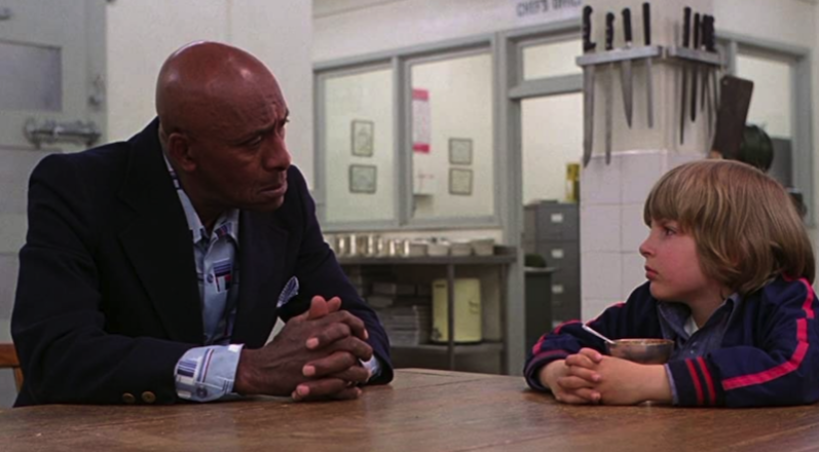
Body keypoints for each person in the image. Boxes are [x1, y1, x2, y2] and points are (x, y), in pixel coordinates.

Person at [12, 41, 393, 406]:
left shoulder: (283, 196)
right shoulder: (80, 188)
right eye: (253, 142)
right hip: (88, 434)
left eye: (281, 127)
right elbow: (56, 354)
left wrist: (340, 362)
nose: (281, 157)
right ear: (185, 152)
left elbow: (357, 322)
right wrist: (244, 369)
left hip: (235, 433)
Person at [524, 160, 818, 407]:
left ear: (733, 249)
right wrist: (560, 374)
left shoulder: (785, 299)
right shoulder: (649, 305)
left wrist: (650, 382)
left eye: (668, 231)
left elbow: (799, 371)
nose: (644, 247)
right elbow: (560, 340)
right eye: (650, 229)